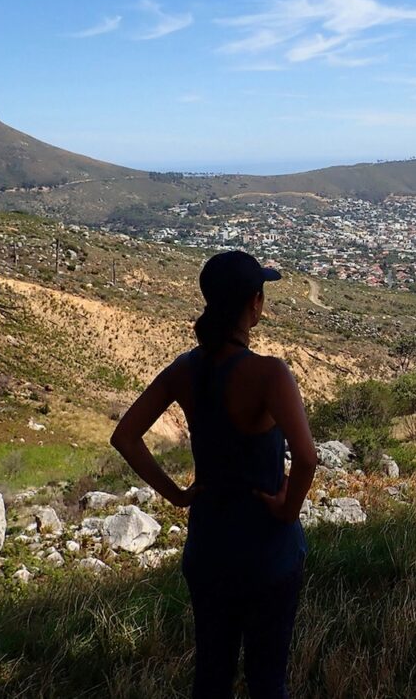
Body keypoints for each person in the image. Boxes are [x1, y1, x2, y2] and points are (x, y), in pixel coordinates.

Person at [112, 250, 315, 698]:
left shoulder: (186, 370)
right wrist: (287, 510)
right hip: (268, 550)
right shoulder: (269, 374)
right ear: (255, 305)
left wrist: (179, 496)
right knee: (267, 680)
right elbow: (307, 458)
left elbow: (125, 436)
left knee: (211, 676)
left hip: (209, 545)